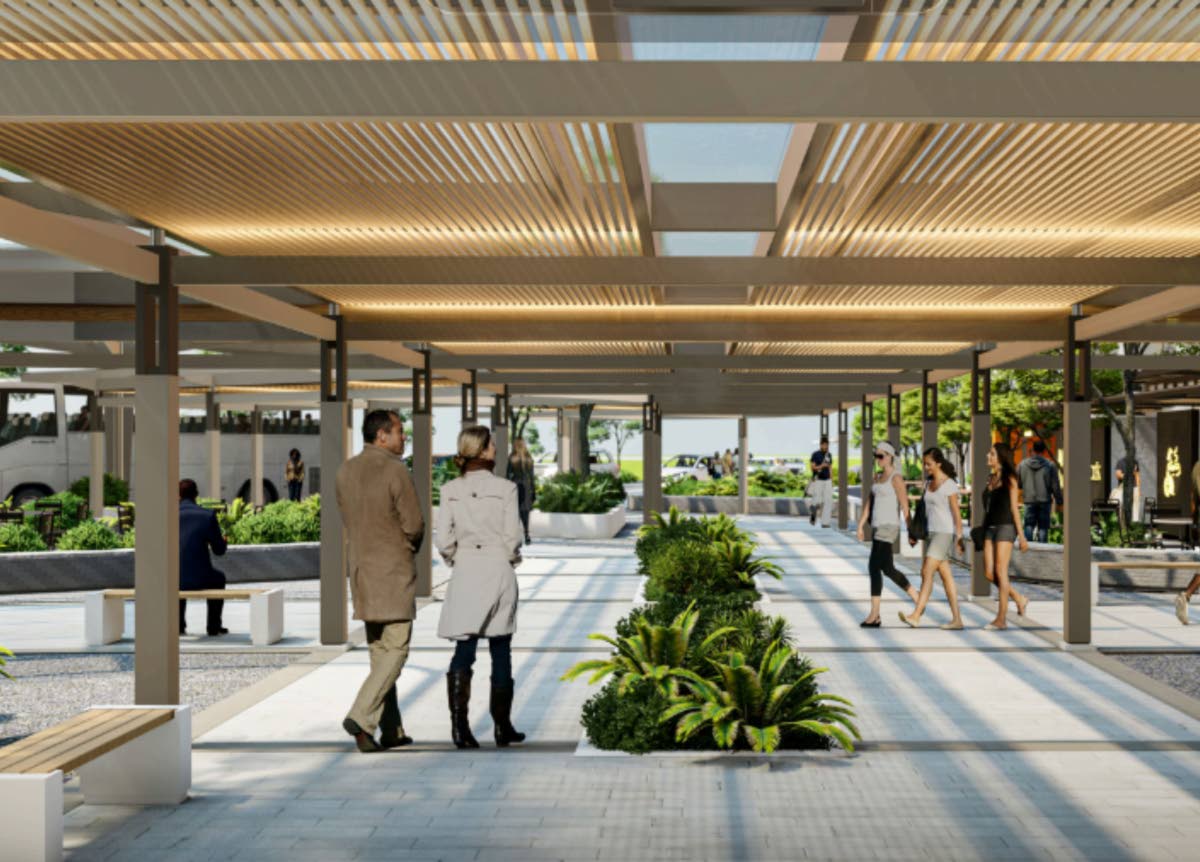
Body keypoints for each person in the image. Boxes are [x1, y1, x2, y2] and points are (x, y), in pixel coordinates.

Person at [337, 409, 425, 753]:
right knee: (398, 650)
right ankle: (360, 716)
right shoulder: (395, 470)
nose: (404, 438)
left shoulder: (345, 471)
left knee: (380, 652)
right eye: (400, 431)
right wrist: (406, 547)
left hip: (362, 572)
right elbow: (414, 524)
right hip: (393, 571)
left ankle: (391, 730)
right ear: (382, 437)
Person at [436, 425, 526, 749]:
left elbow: (443, 540)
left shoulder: (449, 490)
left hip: (466, 571)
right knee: (501, 649)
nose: (496, 450)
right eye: (492, 445)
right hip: (497, 567)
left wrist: (458, 560)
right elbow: (513, 537)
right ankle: (502, 727)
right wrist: (506, 558)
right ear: (484, 451)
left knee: (465, 649)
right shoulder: (505, 488)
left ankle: (460, 729)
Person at [899, 448, 965, 630]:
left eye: (928, 464)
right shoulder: (929, 484)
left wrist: (959, 537)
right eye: (924, 464)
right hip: (931, 533)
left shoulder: (949, 484)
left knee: (926, 571)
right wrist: (914, 534)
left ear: (938, 463)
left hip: (944, 533)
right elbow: (923, 512)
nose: (926, 467)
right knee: (946, 577)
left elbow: (956, 514)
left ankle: (916, 614)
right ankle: (957, 619)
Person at [856, 441, 919, 627]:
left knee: (874, 566)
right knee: (887, 568)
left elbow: (905, 507)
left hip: (889, 527)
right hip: (877, 527)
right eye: (876, 455)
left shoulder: (896, 478)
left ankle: (875, 615)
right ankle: (917, 598)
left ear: (890, 456)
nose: (878, 459)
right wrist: (860, 526)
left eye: (881, 456)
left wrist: (910, 531)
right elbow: (868, 504)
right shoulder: (877, 478)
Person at [981, 442, 1030, 630]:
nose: (988, 456)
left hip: (1005, 527)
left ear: (1000, 457)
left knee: (1001, 572)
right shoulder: (991, 478)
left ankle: (1001, 619)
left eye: (991, 454)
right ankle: (1019, 598)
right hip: (990, 527)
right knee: (989, 573)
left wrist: (1022, 536)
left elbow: (1014, 508)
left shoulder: (1010, 478)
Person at [178, 478, 228, 637]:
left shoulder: (167, 515)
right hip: (201, 578)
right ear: (196, 495)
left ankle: (178, 624)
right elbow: (219, 550)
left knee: (176, 576)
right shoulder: (207, 516)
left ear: (178, 495)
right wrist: (224, 542)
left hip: (172, 579)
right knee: (218, 578)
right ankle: (213, 626)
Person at [1018, 440, 1061, 542]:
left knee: (1028, 525)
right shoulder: (1050, 465)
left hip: (1029, 500)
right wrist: (1059, 500)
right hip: (1045, 500)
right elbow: (1055, 485)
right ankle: (1042, 552)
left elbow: (1019, 483)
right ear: (1044, 451)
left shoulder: (1022, 464)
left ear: (1033, 449)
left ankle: (1028, 552)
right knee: (1043, 527)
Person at [507, 437, 536, 546]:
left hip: (515, 485)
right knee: (525, 512)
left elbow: (507, 475)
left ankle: (517, 538)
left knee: (515, 512)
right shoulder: (528, 457)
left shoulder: (512, 457)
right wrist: (533, 491)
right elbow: (532, 476)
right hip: (526, 485)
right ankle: (527, 535)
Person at [809, 436, 833, 527]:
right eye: (824, 445)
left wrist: (831, 479)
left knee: (828, 501)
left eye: (827, 445)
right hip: (818, 480)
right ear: (821, 445)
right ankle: (813, 513)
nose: (826, 447)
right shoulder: (815, 454)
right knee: (816, 500)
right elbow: (812, 467)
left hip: (827, 480)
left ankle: (825, 522)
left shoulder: (829, 455)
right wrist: (821, 466)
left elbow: (830, 467)